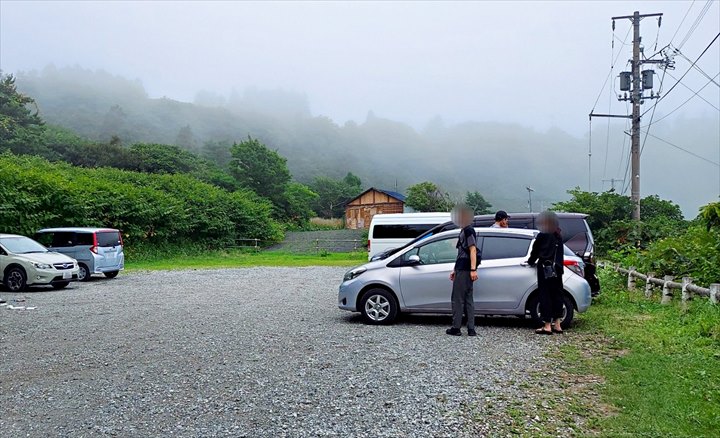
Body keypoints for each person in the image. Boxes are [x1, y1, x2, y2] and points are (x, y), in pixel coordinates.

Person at [526, 211, 565, 335]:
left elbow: (535, 251)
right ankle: (557, 324)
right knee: (557, 295)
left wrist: (531, 261)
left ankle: (547, 325)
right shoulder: (558, 234)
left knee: (545, 295)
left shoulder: (543, 234)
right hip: (557, 269)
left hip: (545, 268)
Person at [446, 204, 479, 336]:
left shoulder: (468, 230)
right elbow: (461, 252)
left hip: (465, 270)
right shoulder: (465, 230)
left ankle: (456, 327)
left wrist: (472, 269)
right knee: (468, 299)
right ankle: (471, 329)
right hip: (463, 268)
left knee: (457, 299)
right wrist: (455, 269)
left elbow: (472, 249)